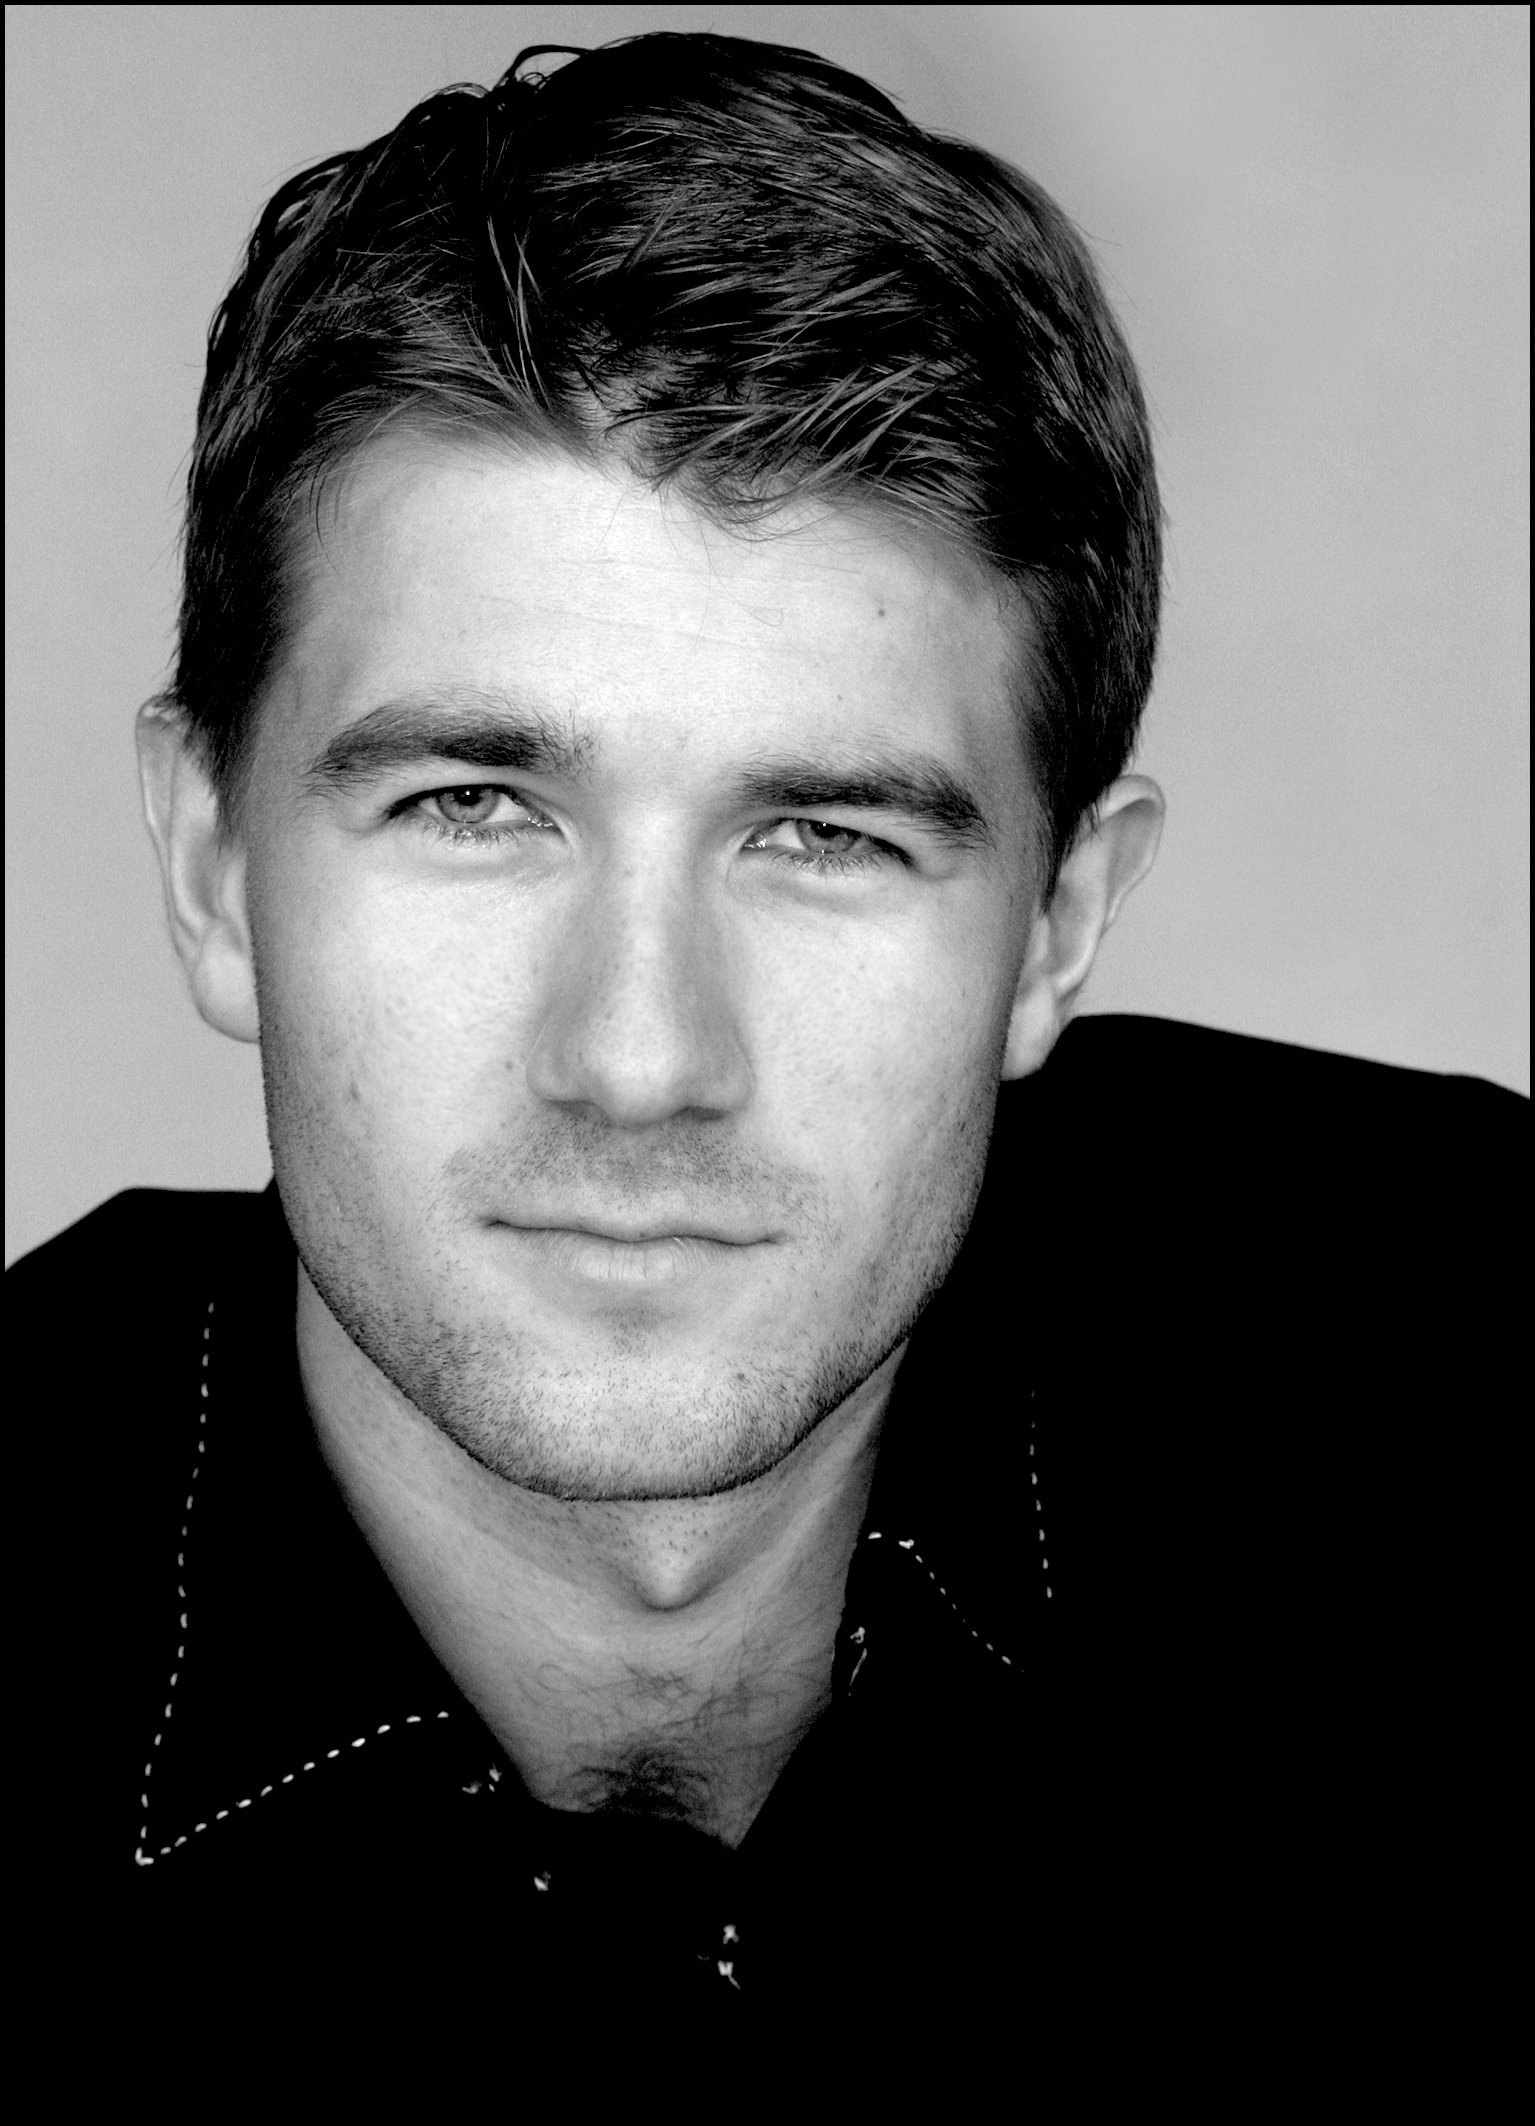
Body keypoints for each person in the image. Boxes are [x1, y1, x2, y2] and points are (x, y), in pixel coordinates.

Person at [12, 31, 1522, 2078]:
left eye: (825, 839)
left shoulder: (1455, 1399)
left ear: (1059, 924)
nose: (640, 1057)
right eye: (474, 807)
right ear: (210, 866)